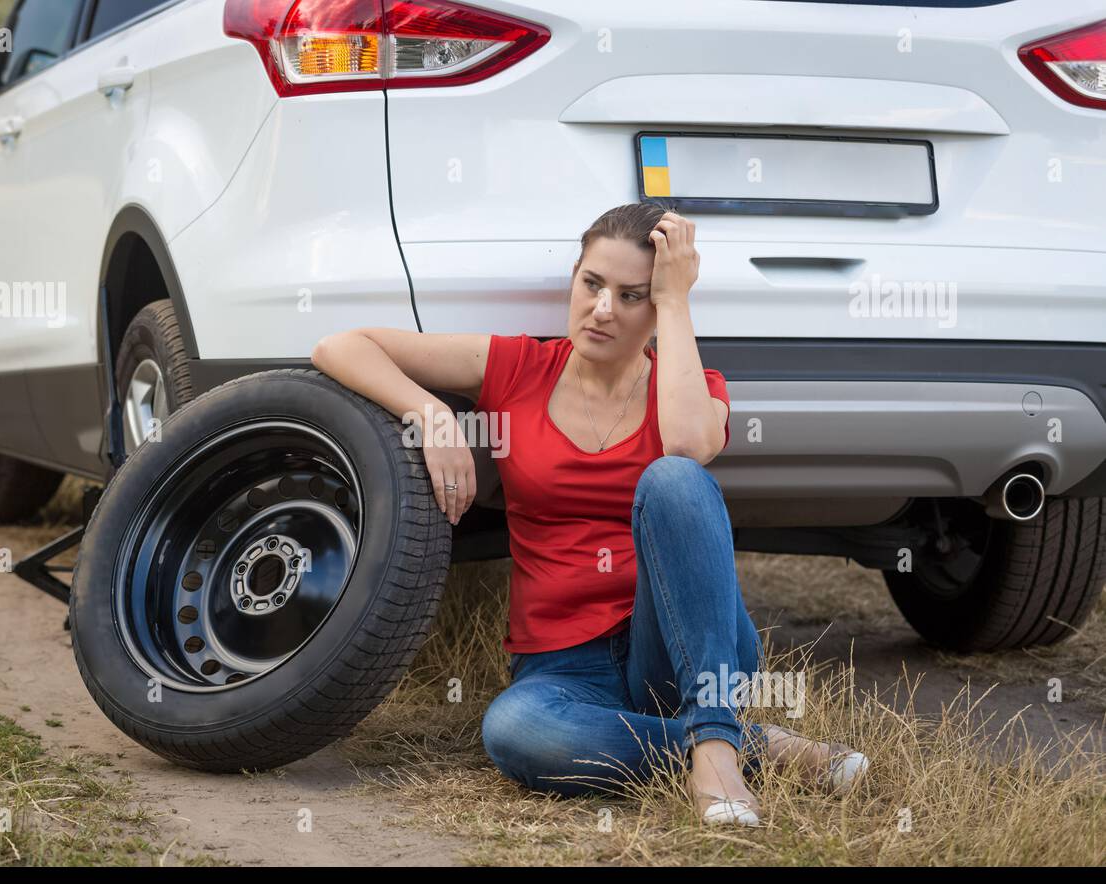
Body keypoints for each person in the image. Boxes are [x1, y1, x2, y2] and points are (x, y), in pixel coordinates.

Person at [311, 202, 867, 826]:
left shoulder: (693, 385)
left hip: (678, 649)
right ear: (573, 277)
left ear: (658, 308)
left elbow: (687, 448)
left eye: (633, 296)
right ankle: (757, 748)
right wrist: (431, 413)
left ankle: (714, 739)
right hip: (560, 664)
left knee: (674, 479)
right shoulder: (518, 367)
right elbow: (339, 345)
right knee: (517, 730)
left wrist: (677, 299)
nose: (603, 309)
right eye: (592, 284)